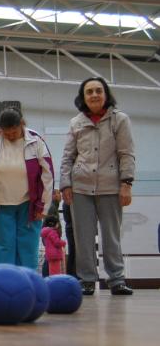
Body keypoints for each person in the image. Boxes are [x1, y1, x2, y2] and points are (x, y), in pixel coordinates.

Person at [60, 76, 136, 296]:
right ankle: (87, 279)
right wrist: (65, 184)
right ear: (83, 97)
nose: (94, 95)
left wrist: (126, 184)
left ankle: (116, 279)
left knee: (111, 235)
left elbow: (126, 154)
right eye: (89, 92)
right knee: (82, 237)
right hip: (80, 188)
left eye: (98, 91)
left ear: (106, 94)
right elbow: (67, 157)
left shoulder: (120, 120)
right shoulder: (76, 122)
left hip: (111, 187)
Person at [0, 109, 53, 270]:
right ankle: (6, 284)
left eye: (14, 132)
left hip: (29, 205)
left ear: (22, 124)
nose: (10, 136)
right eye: (6, 133)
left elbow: (47, 175)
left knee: (28, 247)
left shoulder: (36, 141)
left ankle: (28, 285)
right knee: (3, 247)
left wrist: (42, 206)